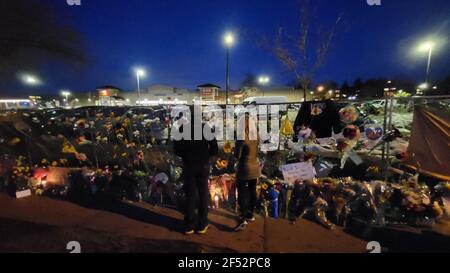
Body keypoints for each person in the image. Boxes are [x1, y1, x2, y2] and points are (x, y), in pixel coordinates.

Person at [173, 107, 218, 235]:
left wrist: (186, 156)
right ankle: (202, 223)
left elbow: (176, 149)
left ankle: (189, 225)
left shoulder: (182, 129)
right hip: (203, 165)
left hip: (189, 165)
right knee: (203, 193)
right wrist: (206, 156)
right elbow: (214, 148)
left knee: (190, 194)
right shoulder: (205, 128)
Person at [234, 114, 261, 231]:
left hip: (244, 168)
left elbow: (237, 154)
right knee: (252, 190)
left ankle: (243, 217)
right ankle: (251, 214)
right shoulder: (256, 135)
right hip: (255, 167)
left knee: (242, 191)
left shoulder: (242, 137)